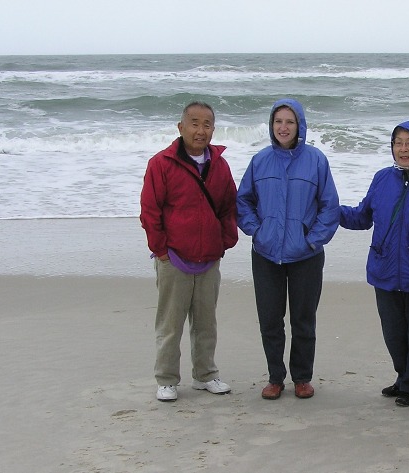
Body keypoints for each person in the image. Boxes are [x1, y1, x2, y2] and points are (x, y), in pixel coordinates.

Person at [237, 98, 340, 400]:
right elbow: (243, 201)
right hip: (266, 253)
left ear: (300, 126)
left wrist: (313, 239)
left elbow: (329, 206)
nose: (283, 127)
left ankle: (302, 377)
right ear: (272, 126)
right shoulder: (260, 161)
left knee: (303, 319)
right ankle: (275, 377)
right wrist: (258, 230)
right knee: (270, 319)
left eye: (290, 122)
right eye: (278, 121)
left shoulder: (316, 160)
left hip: (305, 255)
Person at [339, 120, 409, 407]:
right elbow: (362, 216)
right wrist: (331, 210)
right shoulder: (382, 178)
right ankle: (402, 376)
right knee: (393, 334)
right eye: (398, 142)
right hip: (384, 269)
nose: (403, 148)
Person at [140, 101, 239, 402]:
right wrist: (161, 251)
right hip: (174, 258)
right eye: (194, 123)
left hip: (209, 259)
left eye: (207, 124)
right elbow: (150, 211)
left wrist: (223, 242)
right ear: (180, 127)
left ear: (213, 129)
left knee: (206, 323)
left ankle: (205, 374)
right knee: (170, 324)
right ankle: (167, 379)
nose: (200, 130)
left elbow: (228, 207)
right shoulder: (161, 163)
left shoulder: (219, 165)